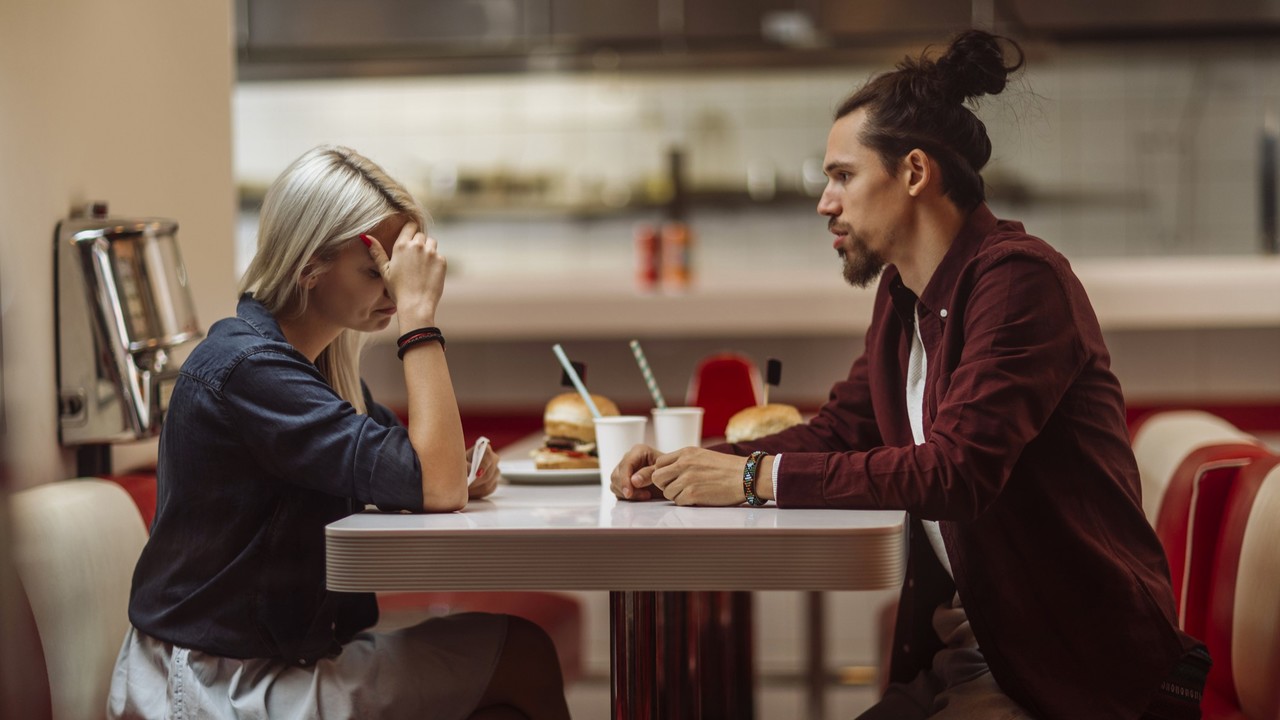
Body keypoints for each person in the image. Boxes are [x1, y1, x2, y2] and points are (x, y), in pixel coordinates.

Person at [611, 30, 1209, 720]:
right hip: (976, 659)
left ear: (915, 173)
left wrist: (751, 479)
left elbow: (957, 472)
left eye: (842, 176)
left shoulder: (1020, 280)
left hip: (1069, 678)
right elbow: (842, 432)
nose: (825, 204)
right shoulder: (904, 298)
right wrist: (695, 465)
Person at [108, 145, 571, 720]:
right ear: (307, 266)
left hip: (262, 661)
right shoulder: (251, 369)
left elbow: (428, 469)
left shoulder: (311, 368)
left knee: (501, 677)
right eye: (378, 272)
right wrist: (419, 316)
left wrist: (448, 471)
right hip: (213, 683)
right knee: (520, 655)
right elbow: (438, 482)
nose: (395, 290)